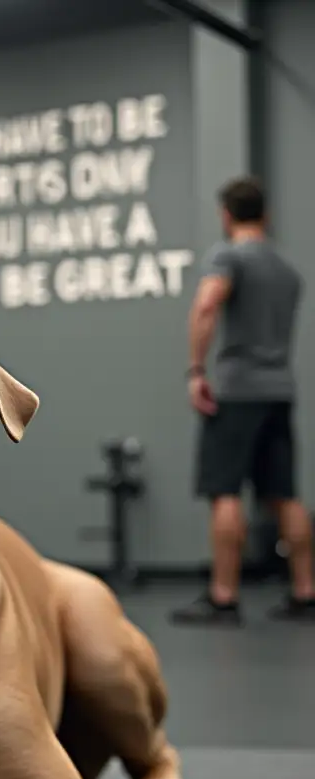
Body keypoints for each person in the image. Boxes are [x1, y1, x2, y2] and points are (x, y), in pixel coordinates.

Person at [171, 175, 313, 626]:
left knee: (225, 491)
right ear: (265, 215)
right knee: (284, 494)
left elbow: (207, 304)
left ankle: (224, 597)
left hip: (237, 390)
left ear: (226, 215)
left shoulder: (228, 255)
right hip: (279, 390)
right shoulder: (286, 270)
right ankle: (306, 592)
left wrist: (196, 370)